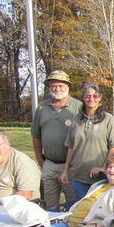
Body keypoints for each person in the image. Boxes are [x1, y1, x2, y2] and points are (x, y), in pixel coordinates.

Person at [60, 83, 114, 203]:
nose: (91, 99)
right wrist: (65, 170)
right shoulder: (76, 119)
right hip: (78, 176)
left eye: (95, 96)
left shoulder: (108, 119)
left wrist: (103, 168)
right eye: (88, 96)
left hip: (99, 178)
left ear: (100, 98)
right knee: (80, 212)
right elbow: (70, 146)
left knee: (97, 211)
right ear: (83, 98)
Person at [31, 70, 83, 210]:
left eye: (60, 85)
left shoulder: (78, 107)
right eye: (53, 86)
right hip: (49, 164)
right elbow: (36, 136)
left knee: (74, 205)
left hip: (71, 166)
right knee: (49, 206)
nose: (57, 89)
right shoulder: (42, 108)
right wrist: (40, 161)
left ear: (68, 86)